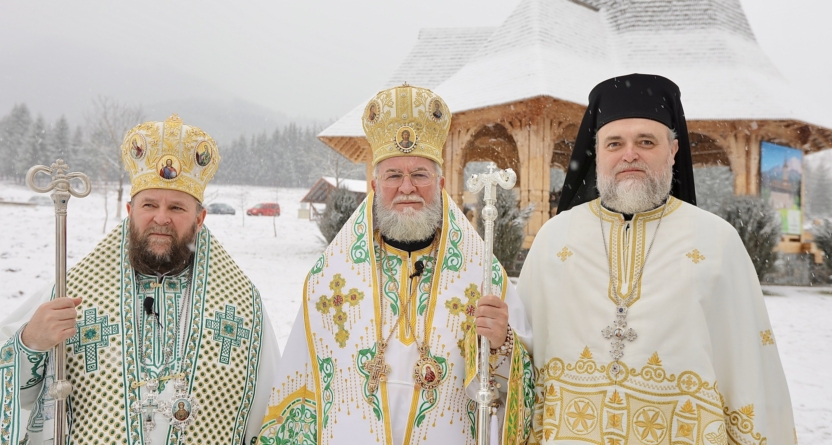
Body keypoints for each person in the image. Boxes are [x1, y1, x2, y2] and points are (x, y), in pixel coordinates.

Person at [517, 74, 795, 444]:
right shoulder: (554, 239)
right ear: (597, 152)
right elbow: (521, 357)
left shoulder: (717, 242)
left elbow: (752, 372)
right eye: (614, 143)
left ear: (674, 150)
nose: (629, 154)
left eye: (646, 141)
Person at [258, 85, 534, 445]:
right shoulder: (329, 282)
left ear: (440, 184)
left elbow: (517, 397)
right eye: (393, 176)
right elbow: (298, 394)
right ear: (374, 185)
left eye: (419, 174)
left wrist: (503, 344)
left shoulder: (483, 278)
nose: (407, 187)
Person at [0, 114, 281, 444]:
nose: (161, 218)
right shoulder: (68, 292)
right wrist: (30, 343)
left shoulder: (245, 307)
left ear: (200, 218)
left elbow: (274, 416)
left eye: (177, 208)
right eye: (150, 204)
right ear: (130, 210)